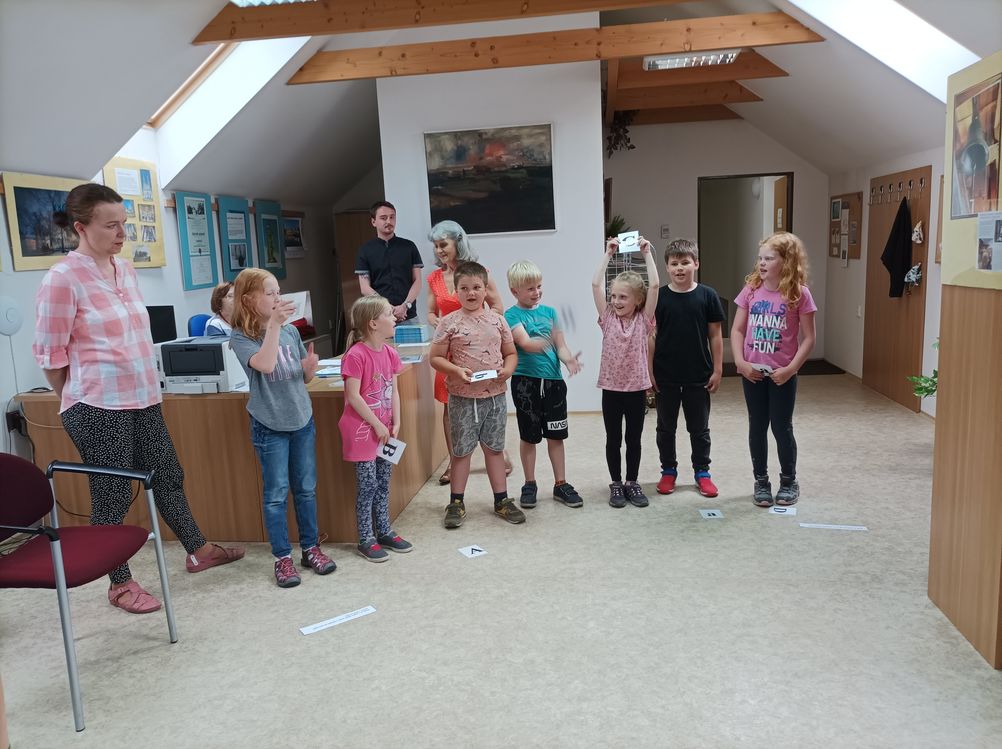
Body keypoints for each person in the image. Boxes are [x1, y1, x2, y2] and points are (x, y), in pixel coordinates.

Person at [33, 183, 244, 615]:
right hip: (96, 405)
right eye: (110, 225)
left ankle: (198, 550)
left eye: (124, 224)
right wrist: (77, 397)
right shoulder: (62, 279)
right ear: (81, 228)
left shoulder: (125, 270)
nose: (121, 233)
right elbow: (50, 357)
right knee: (112, 494)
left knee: (168, 474)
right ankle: (118, 583)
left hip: (143, 396)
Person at [229, 268, 337, 587]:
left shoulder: (290, 331)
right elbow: (265, 365)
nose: (278, 298)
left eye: (279, 292)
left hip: (301, 419)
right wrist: (274, 325)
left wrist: (309, 368)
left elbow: (303, 377)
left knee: (306, 488)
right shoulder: (242, 337)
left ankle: (310, 548)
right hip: (270, 425)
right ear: (249, 300)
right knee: (276, 494)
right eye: (270, 293)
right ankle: (282, 558)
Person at [430, 261, 522, 528]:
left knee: (494, 449)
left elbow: (511, 353)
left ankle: (501, 500)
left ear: (485, 289)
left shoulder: (498, 320)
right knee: (461, 452)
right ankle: (456, 502)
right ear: (456, 291)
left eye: (476, 287)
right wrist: (456, 370)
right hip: (462, 398)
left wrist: (508, 370)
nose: (471, 293)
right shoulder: (448, 323)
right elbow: (435, 358)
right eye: (464, 288)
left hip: (494, 397)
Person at [731, 232, 817, 507]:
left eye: (769, 258)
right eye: (760, 258)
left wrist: (791, 369)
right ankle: (761, 481)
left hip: (782, 374)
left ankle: (789, 481)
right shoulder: (751, 290)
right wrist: (741, 362)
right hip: (752, 372)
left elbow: (809, 338)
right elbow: (737, 330)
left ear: (787, 261)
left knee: (781, 427)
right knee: (757, 426)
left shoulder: (799, 294)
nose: (762, 263)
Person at [425, 219, 508, 485]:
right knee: (449, 408)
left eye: (443, 244)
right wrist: (438, 322)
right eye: (436, 246)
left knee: (486, 403)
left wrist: (475, 326)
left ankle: (498, 454)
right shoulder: (434, 278)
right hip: (447, 353)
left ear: (458, 243)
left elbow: (498, 308)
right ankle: (454, 462)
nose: (439, 250)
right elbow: (430, 312)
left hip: (477, 351)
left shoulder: (479, 273)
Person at [339, 295, 414, 562]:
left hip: (385, 431)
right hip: (363, 432)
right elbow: (353, 396)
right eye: (389, 314)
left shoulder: (390, 353)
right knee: (368, 485)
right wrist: (377, 424)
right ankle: (366, 538)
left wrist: (397, 421)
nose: (395, 318)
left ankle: (384, 530)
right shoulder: (356, 355)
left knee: (383, 482)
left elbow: (394, 391)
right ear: (373, 323)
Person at [504, 260, 584, 509]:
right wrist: (550, 338)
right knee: (529, 437)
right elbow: (527, 344)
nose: (536, 292)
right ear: (514, 291)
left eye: (539, 286)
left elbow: (561, 346)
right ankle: (529, 483)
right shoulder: (511, 315)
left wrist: (568, 359)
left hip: (553, 383)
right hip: (525, 384)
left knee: (556, 435)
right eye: (530, 288)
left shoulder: (550, 313)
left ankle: (561, 484)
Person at [650, 239, 726, 499]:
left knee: (699, 428)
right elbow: (651, 336)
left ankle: (702, 472)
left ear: (696, 264)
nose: (680, 268)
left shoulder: (708, 295)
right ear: (667, 267)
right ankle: (668, 470)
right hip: (665, 375)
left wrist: (718, 370)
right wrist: (649, 371)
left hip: (698, 375)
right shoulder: (659, 297)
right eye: (674, 264)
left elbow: (715, 336)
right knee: (665, 428)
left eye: (685, 262)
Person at [592, 236, 659, 508]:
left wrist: (647, 254)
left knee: (633, 439)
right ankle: (616, 483)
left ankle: (632, 481)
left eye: (623, 297)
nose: (616, 301)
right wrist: (608, 254)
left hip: (635, 390)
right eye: (614, 296)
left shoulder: (644, 320)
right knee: (613, 439)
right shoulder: (607, 318)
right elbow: (595, 284)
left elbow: (655, 285)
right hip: (611, 390)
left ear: (638, 300)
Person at [356, 201, 423, 323]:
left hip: (408, 315)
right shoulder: (365, 250)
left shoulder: (409, 247)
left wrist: (405, 306)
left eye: (392, 217)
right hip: (380, 317)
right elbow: (365, 288)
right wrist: (387, 307)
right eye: (383, 218)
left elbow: (417, 281)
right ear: (373, 222)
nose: (389, 221)